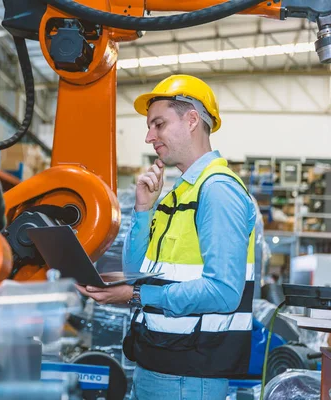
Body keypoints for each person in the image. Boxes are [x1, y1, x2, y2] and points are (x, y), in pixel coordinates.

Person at [76, 74, 256, 399]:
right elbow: (137, 271)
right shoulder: (178, 193)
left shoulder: (217, 190)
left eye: (158, 124)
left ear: (191, 120)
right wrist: (143, 210)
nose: (149, 136)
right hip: (158, 364)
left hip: (189, 377)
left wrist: (135, 296)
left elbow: (225, 292)